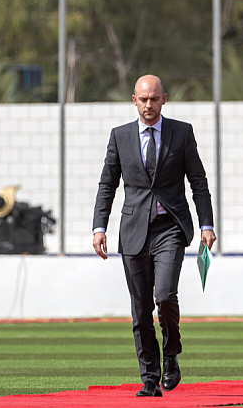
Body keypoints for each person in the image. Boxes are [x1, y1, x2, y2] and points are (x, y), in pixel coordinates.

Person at [92, 74, 216, 397]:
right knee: (140, 309)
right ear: (134, 100)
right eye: (143, 99)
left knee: (164, 296)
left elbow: (198, 182)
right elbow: (108, 184)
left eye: (154, 99)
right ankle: (149, 378)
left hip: (170, 228)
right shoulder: (120, 137)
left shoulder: (182, 133)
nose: (149, 105)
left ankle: (171, 353)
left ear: (164, 99)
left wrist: (207, 224)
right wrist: (99, 227)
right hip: (133, 231)